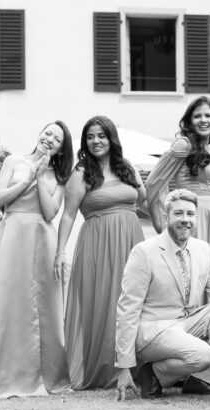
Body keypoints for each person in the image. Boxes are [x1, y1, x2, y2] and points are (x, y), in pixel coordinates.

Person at [0, 121, 74, 400]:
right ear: (39, 133)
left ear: (60, 148)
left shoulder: (60, 176)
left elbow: (51, 211)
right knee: (4, 302)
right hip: (12, 234)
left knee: (44, 307)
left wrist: (42, 177)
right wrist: (28, 179)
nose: (50, 139)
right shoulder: (13, 161)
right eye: (48, 132)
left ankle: (45, 375)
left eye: (57, 138)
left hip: (43, 238)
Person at [114, 189, 210, 400]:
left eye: (190, 214)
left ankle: (200, 379)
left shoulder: (203, 249)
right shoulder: (144, 252)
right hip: (153, 330)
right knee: (203, 354)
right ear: (165, 217)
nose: (185, 220)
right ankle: (152, 372)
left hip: (187, 323)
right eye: (178, 214)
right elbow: (127, 309)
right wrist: (124, 368)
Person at [54, 116, 147, 390]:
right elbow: (68, 215)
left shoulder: (126, 167)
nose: (96, 141)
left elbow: (141, 197)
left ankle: (136, 366)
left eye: (101, 136)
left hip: (131, 240)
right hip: (98, 243)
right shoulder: (81, 173)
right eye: (91, 137)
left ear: (111, 139)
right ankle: (105, 369)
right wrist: (61, 251)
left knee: (135, 298)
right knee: (106, 301)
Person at [146, 96, 210, 265]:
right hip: (192, 217)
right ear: (190, 121)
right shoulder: (183, 145)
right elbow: (153, 183)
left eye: (208, 115)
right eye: (197, 116)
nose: (203, 120)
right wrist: (161, 222)